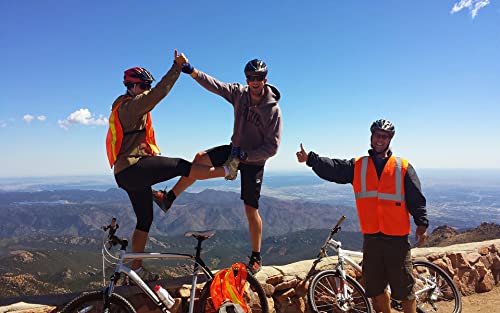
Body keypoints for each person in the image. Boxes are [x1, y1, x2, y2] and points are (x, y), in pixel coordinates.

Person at [105, 50, 231, 281]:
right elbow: (159, 93)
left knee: (145, 219)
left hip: (126, 173)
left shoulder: (125, 106)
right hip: (133, 168)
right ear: (132, 86)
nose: (146, 90)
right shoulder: (130, 106)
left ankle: (136, 269)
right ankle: (227, 170)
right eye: (143, 86)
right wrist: (177, 68)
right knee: (182, 165)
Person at [152, 58, 282, 274]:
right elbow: (215, 85)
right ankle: (169, 198)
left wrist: (246, 156)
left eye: (258, 78)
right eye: (251, 78)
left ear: (265, 80)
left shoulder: (272, 110)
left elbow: (273, 147)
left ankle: (256, 256)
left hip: (254, 160)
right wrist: (192, 71)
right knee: (200, 158)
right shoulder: (239, 94)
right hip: (235, 148)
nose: (254, 82)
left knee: (251, 209)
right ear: (246, 79)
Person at [296, 119, 428, 313]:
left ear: (390, 139)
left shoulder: (403, 167)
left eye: (384, 136)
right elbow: (334, 168)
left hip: (397, 239)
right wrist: (311, 159)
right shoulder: (359, 166)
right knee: (375, 288)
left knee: (404, 289)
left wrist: (422, 224)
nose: (380, 139)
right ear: (371, 137)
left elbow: (416, 198)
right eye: (377, 135)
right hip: (372, 238)